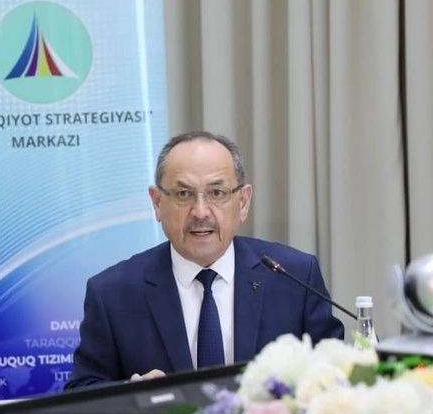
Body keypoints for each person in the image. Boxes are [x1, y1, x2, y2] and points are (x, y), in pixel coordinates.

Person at [65, 130, 344, 389]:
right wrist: (131, 395)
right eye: (183, 194)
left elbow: (336, 377)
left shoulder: (294, 277)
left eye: (217, 193)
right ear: (157, 202)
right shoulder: (113, 293)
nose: (200, 212)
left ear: (243, 202)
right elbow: (81, 391)